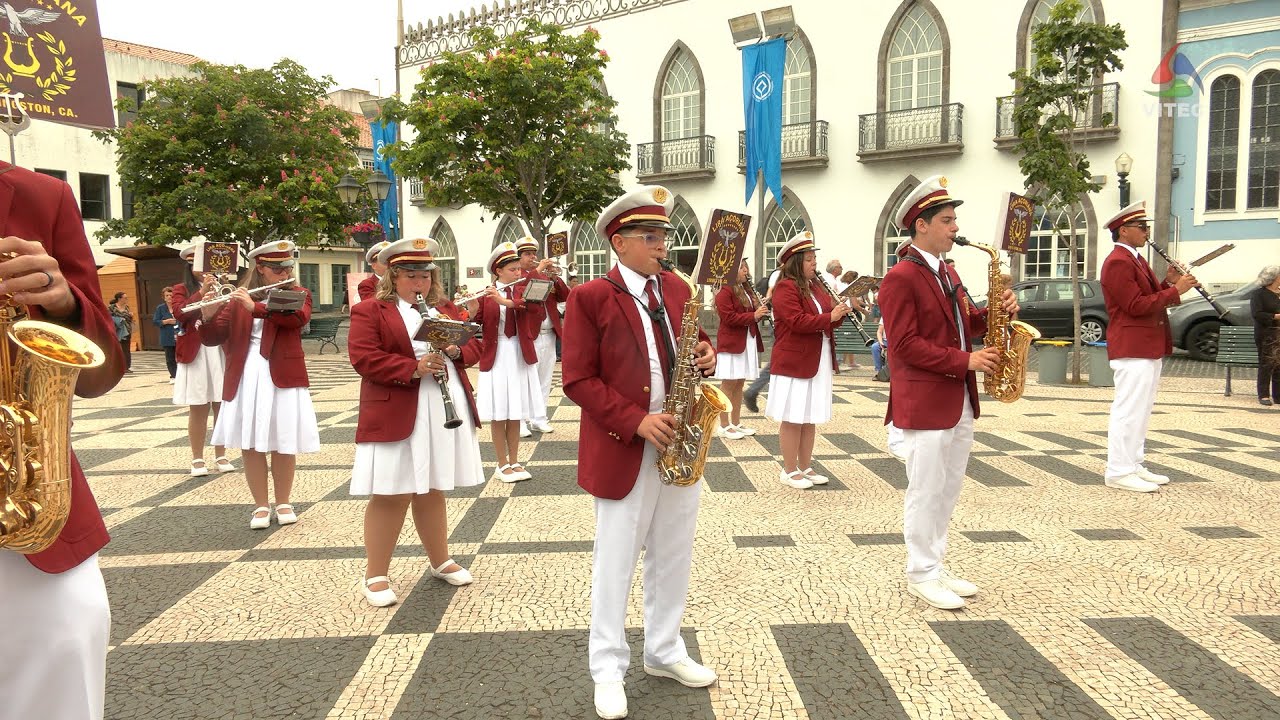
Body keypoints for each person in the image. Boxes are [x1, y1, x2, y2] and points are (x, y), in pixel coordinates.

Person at [562, 186, 718, 720]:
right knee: (617, 560)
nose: (661, 246)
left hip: (680, 436)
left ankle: (664, 649)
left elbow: (695, 346)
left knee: (673, 552)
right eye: (650, 237)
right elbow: (578, 379)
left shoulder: (676, 287)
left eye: (663, 236)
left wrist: (707, 355)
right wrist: (635, 420)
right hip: (624, 442)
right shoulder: (590, 297)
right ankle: (607, 668)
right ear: (619, 242)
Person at [0, 160, 126, 720]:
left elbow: (100, 372)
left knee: (69, 636)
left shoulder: (40, 195)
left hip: (20, 493)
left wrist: (65, 302)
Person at [878, 174, 1020, 611]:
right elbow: (903, 347)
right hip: (925, 400)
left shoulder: (948, 271)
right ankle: (920, 573)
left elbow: (963, 325)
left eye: (954, 220)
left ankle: (935, 564)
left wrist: (995, 313)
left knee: (948, 488)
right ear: (921, 225)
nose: (955, 227)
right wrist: (966, 361)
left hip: (957, 398)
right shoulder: (901, 277)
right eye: (947, 220)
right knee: (925, 489)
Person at [348, 237, 482, 607]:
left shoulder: (443, 308)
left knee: (433, 486)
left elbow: (475, 347)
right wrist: (414, 367)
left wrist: (456, 349)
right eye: (410, 275)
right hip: (398, 407)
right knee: (391, 490)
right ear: (393, 276)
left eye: (425, 275)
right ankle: (376, 573)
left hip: (441, 407)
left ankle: (440, 559)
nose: (419, 282)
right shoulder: (371, 310)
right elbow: (363, 357)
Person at [200, 240, 320, 528]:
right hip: (246, 375)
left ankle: (284, 501)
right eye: (277, 269)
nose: (284, 273)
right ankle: (261, 506)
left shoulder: (298, 294)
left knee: (283, 440)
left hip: (283, 374)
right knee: (251, 443)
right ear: (261, 269)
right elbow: (213, 337)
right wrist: (208, 313)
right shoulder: (238, 298)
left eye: (287, 267)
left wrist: (254, 307)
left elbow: (296, 319)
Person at [1099, 201, 1198, 493]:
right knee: (1129, 410)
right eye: (1141, 227)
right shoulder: (1118, 261)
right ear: (1123, 230)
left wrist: (1168, 281)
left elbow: (1149, 296)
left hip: (1146, 345)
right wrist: (1176, 291)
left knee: (1141, 410)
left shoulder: (1136, 259)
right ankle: (1118, 471)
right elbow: (1134, 306)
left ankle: (1133, 463)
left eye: (1146, 227)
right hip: (1133, 345)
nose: (1147, 231)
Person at [767, 232, 851, 489]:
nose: (814, 263)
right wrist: (830, 316)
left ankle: (804, 466)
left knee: (809, 414)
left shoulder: (816, 287)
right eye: (809, 259)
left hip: (818, 357)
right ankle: (789, 469)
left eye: (814, 258)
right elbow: (797, 321)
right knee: (793, 416)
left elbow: (826, 318)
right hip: (794, 360)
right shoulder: (785, 287)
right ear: (795, 262)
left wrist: (840, 313)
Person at [473, 242, 541, 482]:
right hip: (497, 354)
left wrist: (506, 302)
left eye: (518, 269)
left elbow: (533, 308)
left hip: (519, 354)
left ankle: (515, 461)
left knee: (516, 412)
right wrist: (472, 306)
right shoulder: (487, 294)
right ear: (498, 271)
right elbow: (475, 321)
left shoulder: (523, 290)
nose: (517, 273)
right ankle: (501, 464)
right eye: (512, 270)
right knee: (499, 411)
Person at [170, 244, 233, 476]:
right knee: (198, 406)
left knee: (221, 405)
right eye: (200, 266)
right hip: (196, 352)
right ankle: (197, 458)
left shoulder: (221, 286)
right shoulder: (181, 289)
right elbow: (180, 314)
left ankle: (221, 454)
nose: (206, 271)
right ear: (190, 266)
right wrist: (202, 292)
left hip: (219, 350)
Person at [515, 236, 571, 433]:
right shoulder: (517, 276)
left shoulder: (545, 276)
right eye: (527, 254)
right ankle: (521, 421)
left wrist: (555, 277)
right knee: (526, 379)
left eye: (534, 254)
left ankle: (539, 418)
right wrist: (538, 270)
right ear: (518, 258)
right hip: (530, 334)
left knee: (545, 378)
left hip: (549, 333)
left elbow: (565, 296)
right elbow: (523, 293)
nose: (532, 257)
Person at [713, 258, 767, 439]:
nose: (745, 271)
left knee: (739, 382)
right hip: (731, 343)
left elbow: (751, 315)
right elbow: (729, 318)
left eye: (746, 267)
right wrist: (754, 315)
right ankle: (723, 425)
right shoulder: (724, 291)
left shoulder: (746, 289)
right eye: (741, 268)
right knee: (728, 383)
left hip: (746, 340)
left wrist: (758, 309)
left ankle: (735, 423)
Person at [1249, 264, 1280, 406]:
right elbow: (1257, 314)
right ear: (1274, 277)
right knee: (1267, 363)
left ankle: (1278, 396)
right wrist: (1276, 316)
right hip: (1267, 334)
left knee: (1279, 365)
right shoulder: (1258, 294)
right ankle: (1264, 394)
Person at [154, 287, 179, 380]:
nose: (169, 297)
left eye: (171, 295)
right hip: (167, 337)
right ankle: (173, 376)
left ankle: (181, 375)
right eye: (167, 295)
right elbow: (155, 321)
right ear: (164, 297)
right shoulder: (160, 308)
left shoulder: (178, 306)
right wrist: (166, 321)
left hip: (179, 335)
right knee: (170, 358)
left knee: (181, 357)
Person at [109, 291, 134, 372]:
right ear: (119, 299)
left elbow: (129, 320)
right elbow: (108, 318)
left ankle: (126, 367)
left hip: (126, 330)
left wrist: (131, 316)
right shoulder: (111, 308)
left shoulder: (126, 307)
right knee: (117, 349)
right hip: (116, 330)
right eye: (125, 298)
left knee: (126, 349)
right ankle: (117, 366)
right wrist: (119, 319)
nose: (126, 299)